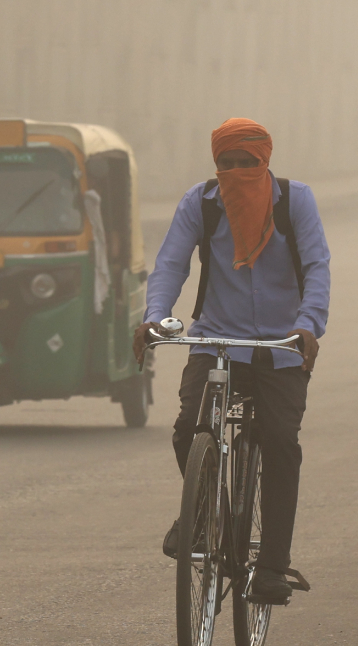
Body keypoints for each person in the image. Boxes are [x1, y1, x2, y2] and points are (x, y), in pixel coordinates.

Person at [132, 118, 331, 605]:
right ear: (216, 164)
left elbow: (318, 265)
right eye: (227, 164)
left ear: (266, 162)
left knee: (281, 441)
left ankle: (272, 567)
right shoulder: (200, 203)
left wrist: (309, 324)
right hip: (216, 339)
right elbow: (171, 265)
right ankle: (202, 514)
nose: (237, 172)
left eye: (248, 163)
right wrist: (156, 317)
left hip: (281, 348)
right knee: (187, 428)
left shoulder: (295, 200)